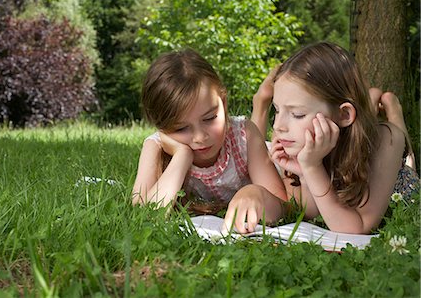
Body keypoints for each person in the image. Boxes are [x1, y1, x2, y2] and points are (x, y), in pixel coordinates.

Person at [250, 41, 419, 234]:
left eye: (297, 114)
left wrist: (312, 167)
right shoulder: (304, 145)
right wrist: (305, 173)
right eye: (277, 110)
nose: (278, 126)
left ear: (344, 115)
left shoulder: (385, 141)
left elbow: (356, 228)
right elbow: (309, 211)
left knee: (404, 151)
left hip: (397, 177)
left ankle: (394, 110)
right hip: (352, 132)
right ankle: (373, 101)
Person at [132, 48, 286, 233]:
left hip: (266, 157)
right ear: (162, 127)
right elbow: (144, 216)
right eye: (181, 128)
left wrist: (256, 193)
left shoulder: (244, 134)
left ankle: (261, 103)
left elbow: (284, 205)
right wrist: (182, 156)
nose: (200, 138)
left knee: (277, 144)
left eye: (210, 118)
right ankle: (260, 102)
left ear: (224, 103)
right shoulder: (155, 146)